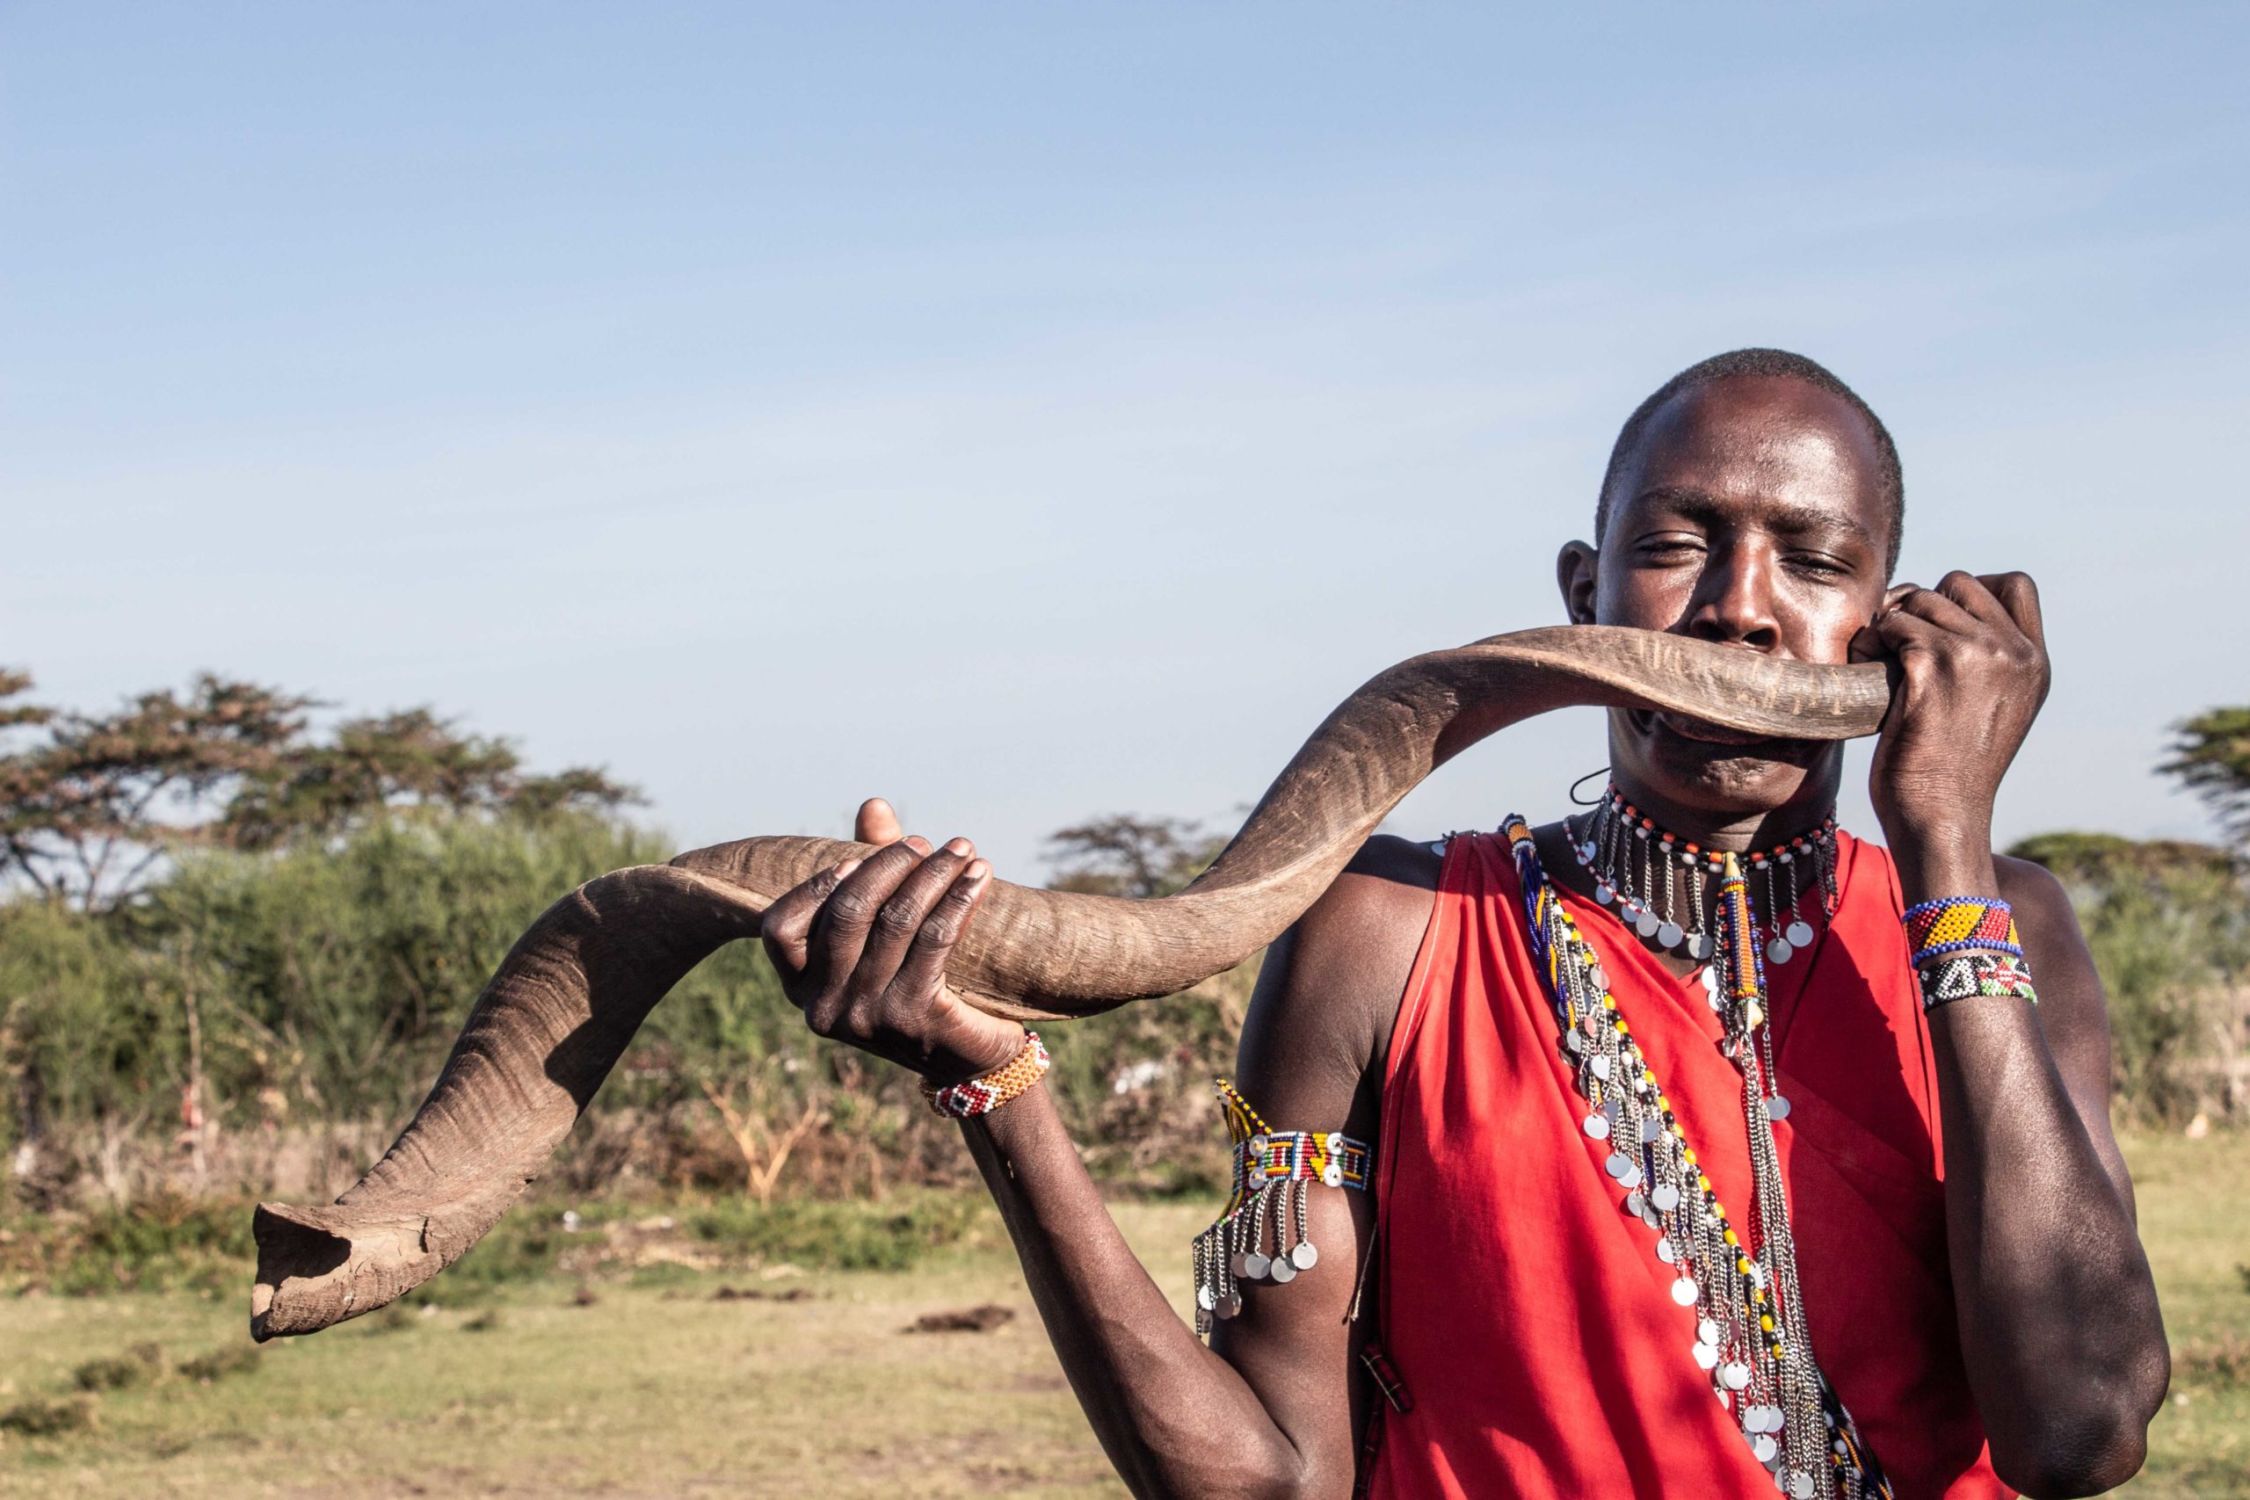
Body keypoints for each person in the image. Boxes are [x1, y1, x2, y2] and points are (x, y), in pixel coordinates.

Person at [755, 349, 2169, 1499]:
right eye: (1678, 546)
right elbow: (1267, 1478)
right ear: (1583, 595)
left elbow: (2077, 1431)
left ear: (1883, 624)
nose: (1739, 612)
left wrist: (1946, 846)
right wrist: (998, 1092)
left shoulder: (2002, 928)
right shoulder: (1386, 926)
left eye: (1811, 561)